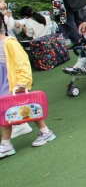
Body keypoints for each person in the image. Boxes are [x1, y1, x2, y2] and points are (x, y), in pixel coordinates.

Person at [0, 20, 57, 158]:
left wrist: (22, 82)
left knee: (5, 110)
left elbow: (22, 62)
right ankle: (44, 131)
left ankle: (6, 144)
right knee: (22, 108)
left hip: (10, 81)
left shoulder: (9, 42)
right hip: (3, 81)